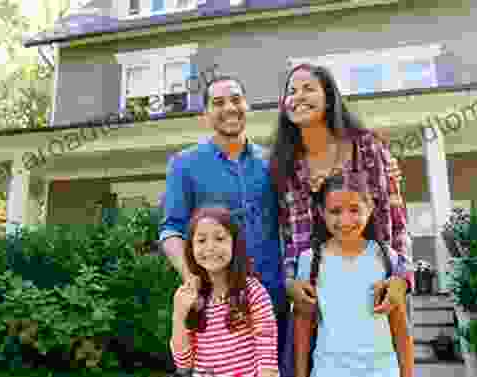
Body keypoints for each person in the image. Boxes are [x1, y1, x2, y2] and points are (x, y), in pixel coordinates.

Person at [268, 63, 414, 375]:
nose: (298, 97)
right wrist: (291, 281)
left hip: (375, 289)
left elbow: (397, 220)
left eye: (308, 88)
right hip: (317, 299)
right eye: (291, 91)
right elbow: (288, 237)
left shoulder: (367, 147)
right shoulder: (284, 164)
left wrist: (402, 279)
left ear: (329, 97)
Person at [160, 76, 289, 373]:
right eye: (218, 102)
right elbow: (171, 230)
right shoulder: (184, 164)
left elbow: (294, 220)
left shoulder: (272, 162)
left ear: (247, 106)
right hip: (215, 305)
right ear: (205, 114)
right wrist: (192, 278)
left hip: (271, 299)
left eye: (235, 99)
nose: (229, 107)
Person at [293, 175, 413, 377]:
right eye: (335, 212)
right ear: (321, 213)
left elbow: (401, 328)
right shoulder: (309, 260)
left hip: (382, 371)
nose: (345, 220)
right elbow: (303, 327)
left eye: (355, 210)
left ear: (371, 208)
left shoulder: (386, 257)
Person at [171, 206, 279, 377]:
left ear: (234, 244)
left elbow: (267, 352)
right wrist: (179, 315)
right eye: (201, 240)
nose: (210, 247)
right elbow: (183, 363)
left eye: (220, 238)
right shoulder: (190, 297)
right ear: (190, 248)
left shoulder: (252, 292)